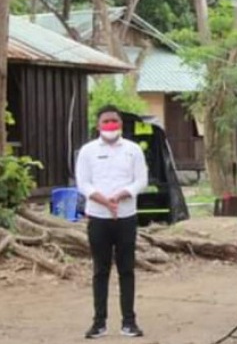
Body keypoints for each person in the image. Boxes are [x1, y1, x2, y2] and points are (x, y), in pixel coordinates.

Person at [76, 105, 148, 339]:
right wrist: (104, 201)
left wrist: (120, 195)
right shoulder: (87, 151)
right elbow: (83, 184)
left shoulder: (133, 150)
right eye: (105, 121)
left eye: (114, 121)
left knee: (127, 269)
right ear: (98, 126)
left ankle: (129, 321)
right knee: (100, 270)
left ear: (121, 124)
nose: (110, 125)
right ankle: (99, 322)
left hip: (126, 217)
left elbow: (141, 181)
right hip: (98, 217)